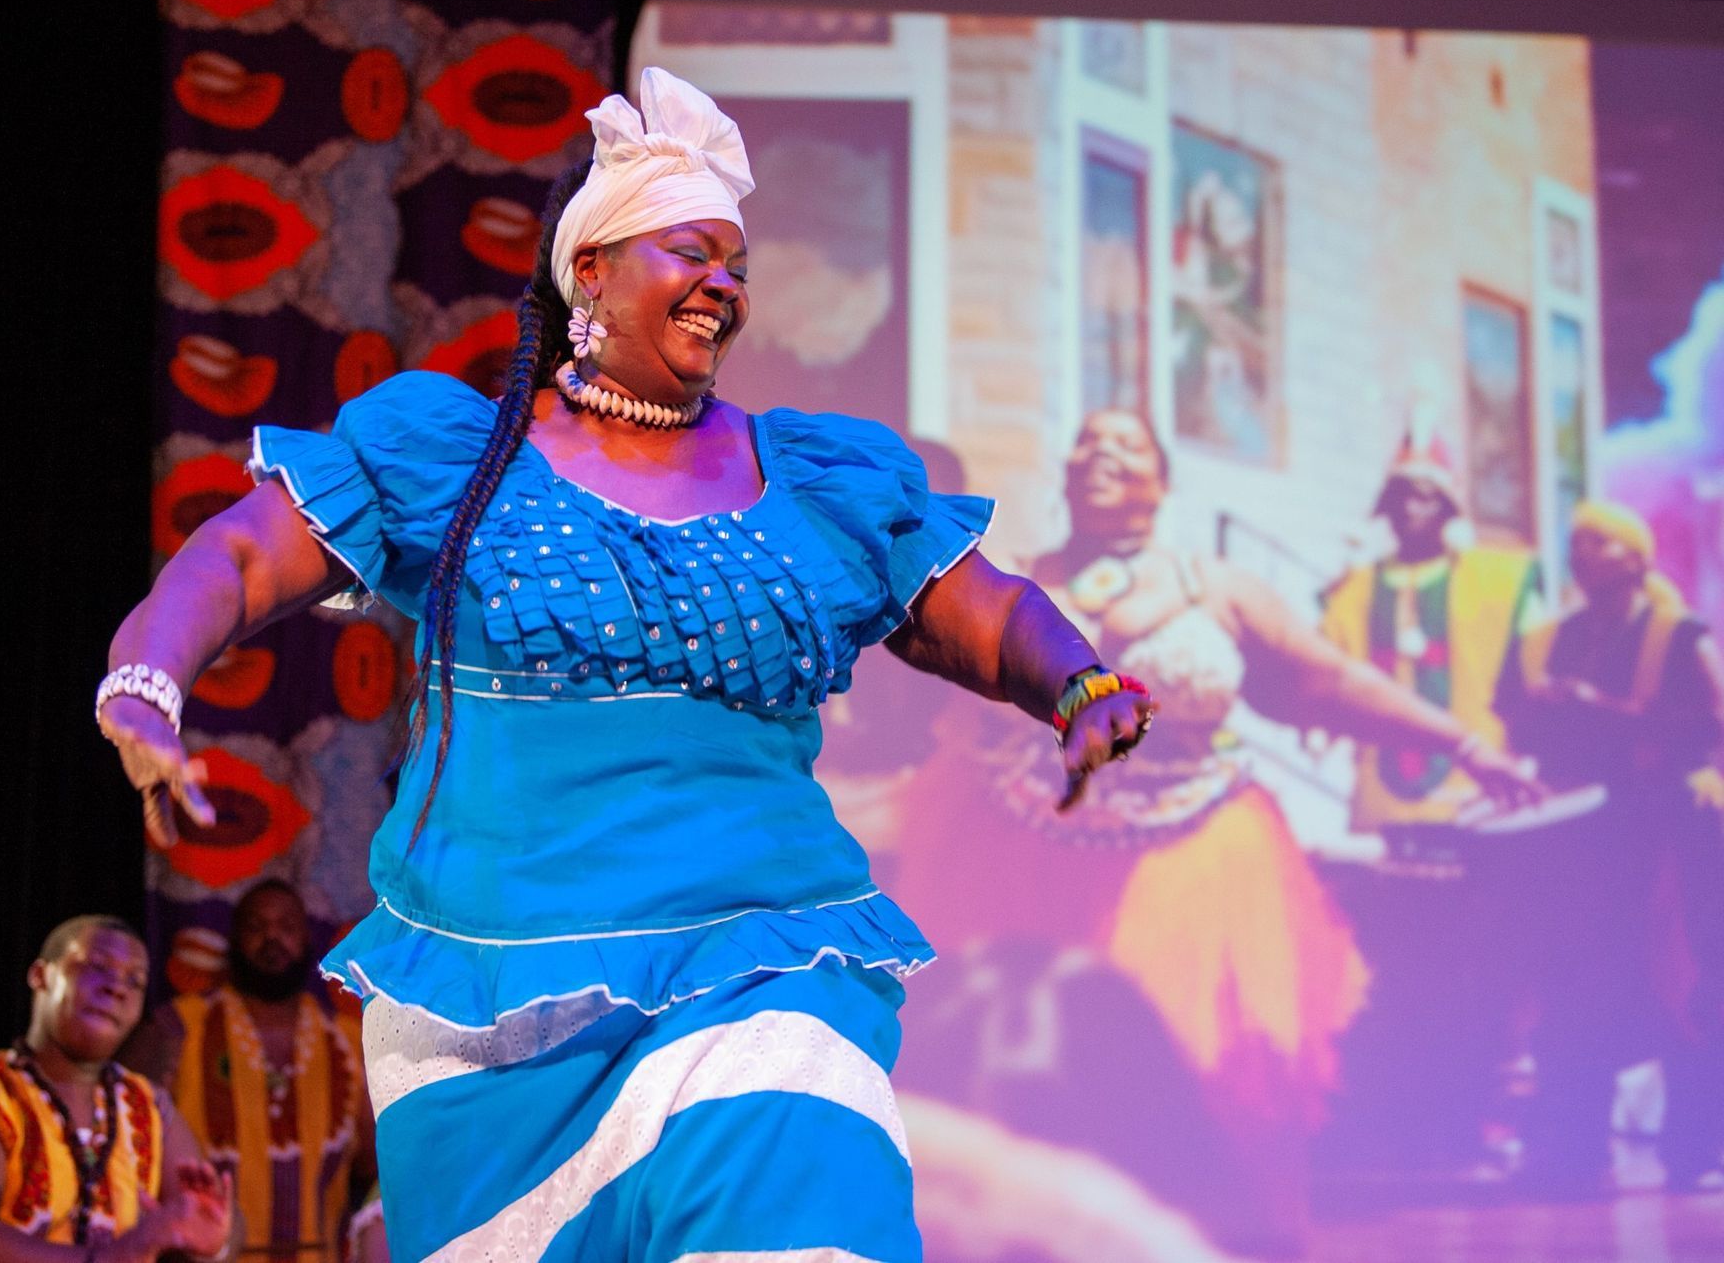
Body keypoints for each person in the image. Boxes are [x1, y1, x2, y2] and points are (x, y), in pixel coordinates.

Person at [96, 68, 1153, 1262]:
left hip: (757, 953)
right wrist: (147, 679)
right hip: (496, 1009)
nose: (725, 287)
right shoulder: (458, 458)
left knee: (803, 1195)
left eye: (738, 267)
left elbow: (984, 611)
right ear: (587, 271)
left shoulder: (813, 479)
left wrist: (1078, 679)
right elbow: (241, 560)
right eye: (692, 253)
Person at [892, 405, 1540, 1255]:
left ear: (1163, 479)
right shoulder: (1016, 571)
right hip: (1016, 850)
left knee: (1202, 1074)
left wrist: (1460, 743)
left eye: (1126, 447)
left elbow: (1326, 682)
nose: (1102, 458)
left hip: (1194, 864)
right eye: (1087, 446)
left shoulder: (1218, 586)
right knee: (1013, 1067)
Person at [1315, 416, 1543, 1171]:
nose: (1413, 504)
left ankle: (1467, 1122)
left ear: (1449, 507)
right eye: (1400, 493)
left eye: (1427, 493)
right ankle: (1402, 1129)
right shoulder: (1354, 591)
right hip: (1385, 811)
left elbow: (1528, 679)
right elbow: (1324, 671)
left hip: (1471, 810)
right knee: (1391, 970)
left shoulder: (1497, 579)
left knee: (1472, 969)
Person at [1496, 500, 1724, 1193]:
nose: (1583, 551)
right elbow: (1511, 714)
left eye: (1601, 542)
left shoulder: (1681, 637)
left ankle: (1699, 1147)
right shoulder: (1540, 641)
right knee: (1571, 990)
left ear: (1637, 558)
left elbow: (1712, 721)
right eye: (1577, 541)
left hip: (1668, 841)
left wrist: (1606, 709)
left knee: (1685, 985)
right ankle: (1569, 1147)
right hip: (1576, 844)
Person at [0, 915, 237, 1262]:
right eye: (97, 966)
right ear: (40, 975)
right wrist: (110, 1258)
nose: (116, 988)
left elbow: (226, 1225)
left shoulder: (148, 1108)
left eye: (135, 981)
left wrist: (212, 1237)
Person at [123, 879, 373, 1261]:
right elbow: (122, 1140)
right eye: (256, 926)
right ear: (234, 939)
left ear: (307, 938)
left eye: (287, 926)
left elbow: (378, 1166)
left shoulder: (349, 1039)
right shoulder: (177, 1027)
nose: (272, 937)